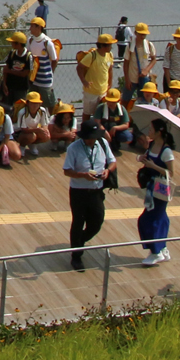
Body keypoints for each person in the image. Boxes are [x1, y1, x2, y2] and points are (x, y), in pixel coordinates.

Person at [64, 116, 116, 271]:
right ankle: (76, 256)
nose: (91, 140)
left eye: (93, 138)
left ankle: (79, 243)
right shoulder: (73, 148)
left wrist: (107, 171)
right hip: (78, 192)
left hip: (96, 190)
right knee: (78, 222)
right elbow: (67, 171)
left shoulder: (103, 143)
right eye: (88, 138)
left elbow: (113, 162)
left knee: (97, 220)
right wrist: (83, 175)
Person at [137, 119, 175, 266]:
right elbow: (146, 158)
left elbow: (171, 173)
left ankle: (156, 251)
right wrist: (141, 158)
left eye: (151, 129)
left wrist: (154, 166)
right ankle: (162, 248)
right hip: (151, 187)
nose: (149, 131)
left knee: (148, 219)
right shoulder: (152, 145)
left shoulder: (166, 151)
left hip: (161, 188)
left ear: (159, 132)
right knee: (160, 217)